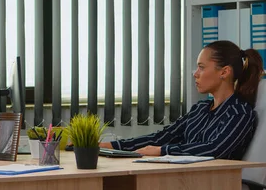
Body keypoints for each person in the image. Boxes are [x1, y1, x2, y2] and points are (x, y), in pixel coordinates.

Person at [100, 40, 262, 159]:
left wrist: (163, 151)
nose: (195, 73)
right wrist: (113, 146)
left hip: (215, 186)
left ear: (224, 72)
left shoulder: (239, 113)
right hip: (185, 181)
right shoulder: (200, 109)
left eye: (202, 67)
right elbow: (163, 137)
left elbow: (214, 149)